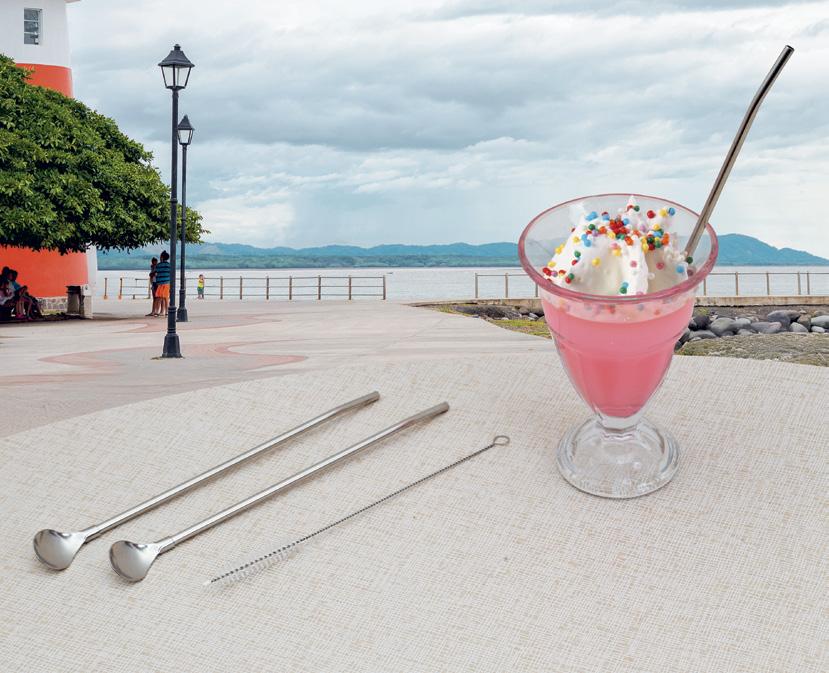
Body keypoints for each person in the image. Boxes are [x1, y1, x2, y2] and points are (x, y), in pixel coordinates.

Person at [154, 251, 171, 317]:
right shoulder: (169, 265)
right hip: (167, 283)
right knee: (166, 298)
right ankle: (167, 312)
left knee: (158, 297)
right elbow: (171, 273)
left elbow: (156, 273)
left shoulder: (158, 265)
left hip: (160, 283)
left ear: (162, 257)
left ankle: (157, 311)